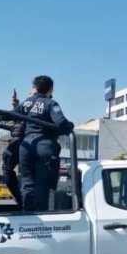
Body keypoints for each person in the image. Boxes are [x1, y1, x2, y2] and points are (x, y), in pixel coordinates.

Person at [15, 76, 74, 212]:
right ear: (50, 89)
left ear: (35, 87)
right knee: (43, 184)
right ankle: (41, 218)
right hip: (45, 145)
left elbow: (12, 114)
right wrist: (70, 125)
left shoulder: (27, 103)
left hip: (26, 146)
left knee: (27, 183)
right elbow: (61, 123)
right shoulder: (50, 103)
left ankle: (27, 214)